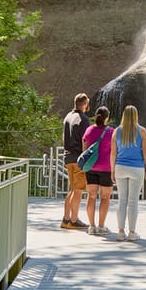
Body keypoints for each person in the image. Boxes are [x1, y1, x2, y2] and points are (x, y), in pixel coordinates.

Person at [110, 105, 146, 241]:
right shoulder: (142, 131)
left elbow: (113, 153)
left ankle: (120, 231)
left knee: (122, 200)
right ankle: (132, 232)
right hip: (137, 168)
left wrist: (112, 170)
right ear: (136, 115)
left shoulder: (117, 131)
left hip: (120, 167)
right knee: (133, 201)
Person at [82, 106, 114, 236]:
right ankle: (101, 226)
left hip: (90, 167)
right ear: (107, 118)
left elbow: (84, 150)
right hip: (106, 168)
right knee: (105, 198)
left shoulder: (89, 130)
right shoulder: (111, 132)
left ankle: (91, 226)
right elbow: (114, 151)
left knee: (91, 197)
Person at [61, 93, 90, 230]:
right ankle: (74, 220)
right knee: (78, 190)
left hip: (67, 157)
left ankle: (65, 219)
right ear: (84, 104)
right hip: (78, 158)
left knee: (72, 188)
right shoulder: (83, 119)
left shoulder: (68, 117)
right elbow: (85, 140)